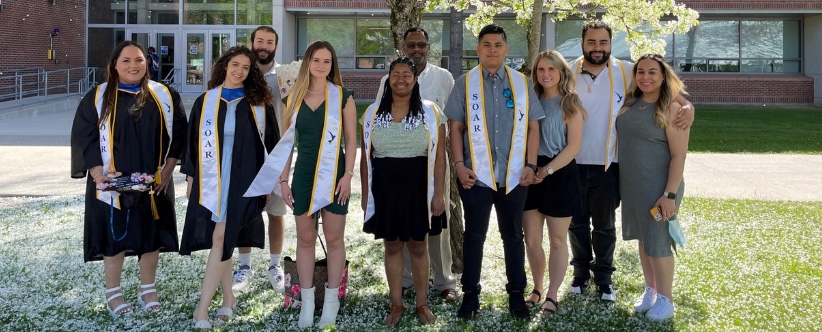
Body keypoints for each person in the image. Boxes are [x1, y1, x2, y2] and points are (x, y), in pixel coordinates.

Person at [567, 21, 694, 301]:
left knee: (604, 226)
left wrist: (687, 105)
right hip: (571, 163)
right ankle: (579, 275)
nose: (597, 47)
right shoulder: (568, 70)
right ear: (583, 43)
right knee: (576, 224)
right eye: (591, 42)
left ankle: (604, 279)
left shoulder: (626, 71)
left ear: (611, 44)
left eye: (603, 42)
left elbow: (664, 88)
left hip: (608, 165)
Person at [70, 40, 186, 317]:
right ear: (114, 65)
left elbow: (180, 136)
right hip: (111, 184)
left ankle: (148, 289)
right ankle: (113, 293)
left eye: (139, 60)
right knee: (114, 237)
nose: (134, 65)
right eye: (126, 60)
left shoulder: (164, 95)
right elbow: (83, 137)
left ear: (148, 63)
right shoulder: (98, 96)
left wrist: (168, 171)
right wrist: (98, 173)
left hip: (154, 182)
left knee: (151, 236)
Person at [245, 40, 356, 329]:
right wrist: (283, 180)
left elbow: (352, 141)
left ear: (333, 66)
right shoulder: (292, 98)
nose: (322, 65)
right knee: (305, 239)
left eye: (327, 61)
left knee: (334, 240)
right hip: (304, 174)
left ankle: (331, 302)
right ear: (308, 63)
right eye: (316, 60)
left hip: (335, 175)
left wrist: (348, 175)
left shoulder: (343, 96)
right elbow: (285, 144)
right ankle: (306, 303)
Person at [444, 24, 544, 319]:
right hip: (476, 176)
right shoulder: (464, 83)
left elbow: (533, 127)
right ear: (478, 49)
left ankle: (516, 296)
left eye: (497, 44)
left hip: (515, 176)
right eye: (486, 44)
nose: (492, 49)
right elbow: (456, 128)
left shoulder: (522, 83)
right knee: (474, 236)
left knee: (513, 236)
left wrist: (531, 164)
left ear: (505, 49)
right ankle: (470, 296)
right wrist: (459, 166)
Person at [179, 46, 278, 330]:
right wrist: (191, 177)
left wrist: (268, 181)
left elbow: (271, 143)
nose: (239, 71)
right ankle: (228, 298)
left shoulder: (258, 103)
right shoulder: (206, 100)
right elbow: (193, 141)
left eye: (246, 68)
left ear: (251, 73)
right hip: (213, 178)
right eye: (235, 65)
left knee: (222, 236)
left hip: (245, 180)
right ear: (224, 66)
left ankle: (202, 308)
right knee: (221, 238)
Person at [374, 27, 458, 302]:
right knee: (402, 229)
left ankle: (444, 281)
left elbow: (453, 121)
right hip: (397, 166)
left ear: (429, 47)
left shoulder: (443, 78)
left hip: (432, 162)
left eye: (422, 44)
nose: (416, 49)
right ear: (403, 47)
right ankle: (407, 280)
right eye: (411, 45)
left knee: (435, 223)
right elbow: (377, 120)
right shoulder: (388, 79)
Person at [362, 57, 446, 326]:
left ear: (415, 78)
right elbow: (365, 158)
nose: (401, 79)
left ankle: (422, 304)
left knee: (419, 245)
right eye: (395, 74)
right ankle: (396, 304)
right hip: (386, 187)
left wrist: (439, 194)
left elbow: (440, 158)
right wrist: (366, 195)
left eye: (406, 74)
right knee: (392, 245)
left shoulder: (431, 112)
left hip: (419, 187)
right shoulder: (373, 113)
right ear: (388, 78)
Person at [616, 54, 689, 321]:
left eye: (652, 73)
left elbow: (679, 156)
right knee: (644, 241)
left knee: (658, 243)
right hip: (633, 186)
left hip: (661, 187)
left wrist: (669, 194)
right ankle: (651, 290)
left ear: (663, 77)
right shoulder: (631, 103)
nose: (646, 77)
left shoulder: (672, 109)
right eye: (641, 72)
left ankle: (666, 300)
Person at [522, 50, 586, 315]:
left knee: (558, 240)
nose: (546, 75)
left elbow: (573, 148)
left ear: (561, 72)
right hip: (530, 174)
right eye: (540, 70)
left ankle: (552, 294)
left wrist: (546, 170)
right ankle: (537, 288)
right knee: (532, 240)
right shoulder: (530, 100)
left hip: (558, 175)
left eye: (551, 69)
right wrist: (532, 168)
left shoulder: (570, 103)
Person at [232, 25, 289, 295]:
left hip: (277, 154)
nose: (263, 46)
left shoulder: (286, 76)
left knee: (276, 213)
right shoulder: (240, 72)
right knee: (246, 212)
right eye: (259, 41)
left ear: (275, 46)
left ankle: (275, 265)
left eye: (269, 41)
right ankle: (244, 266)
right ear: (252, 43)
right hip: (245, 155)